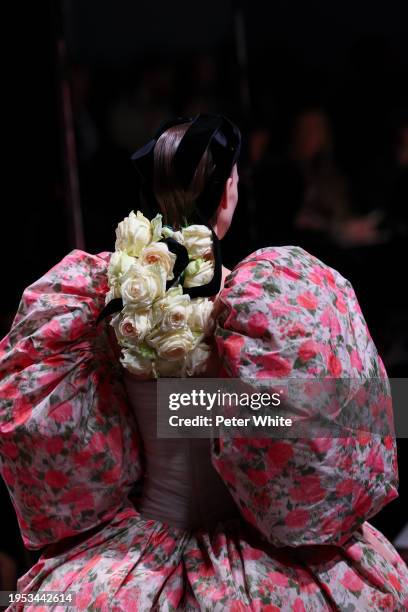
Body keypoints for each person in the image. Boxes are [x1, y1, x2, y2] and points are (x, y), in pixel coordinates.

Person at [1, 114, 407, 611]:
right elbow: (358, 417)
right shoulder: (270, 307)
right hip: (257, 561)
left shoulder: (106, 306)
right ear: (227, 193)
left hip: (132, 562)